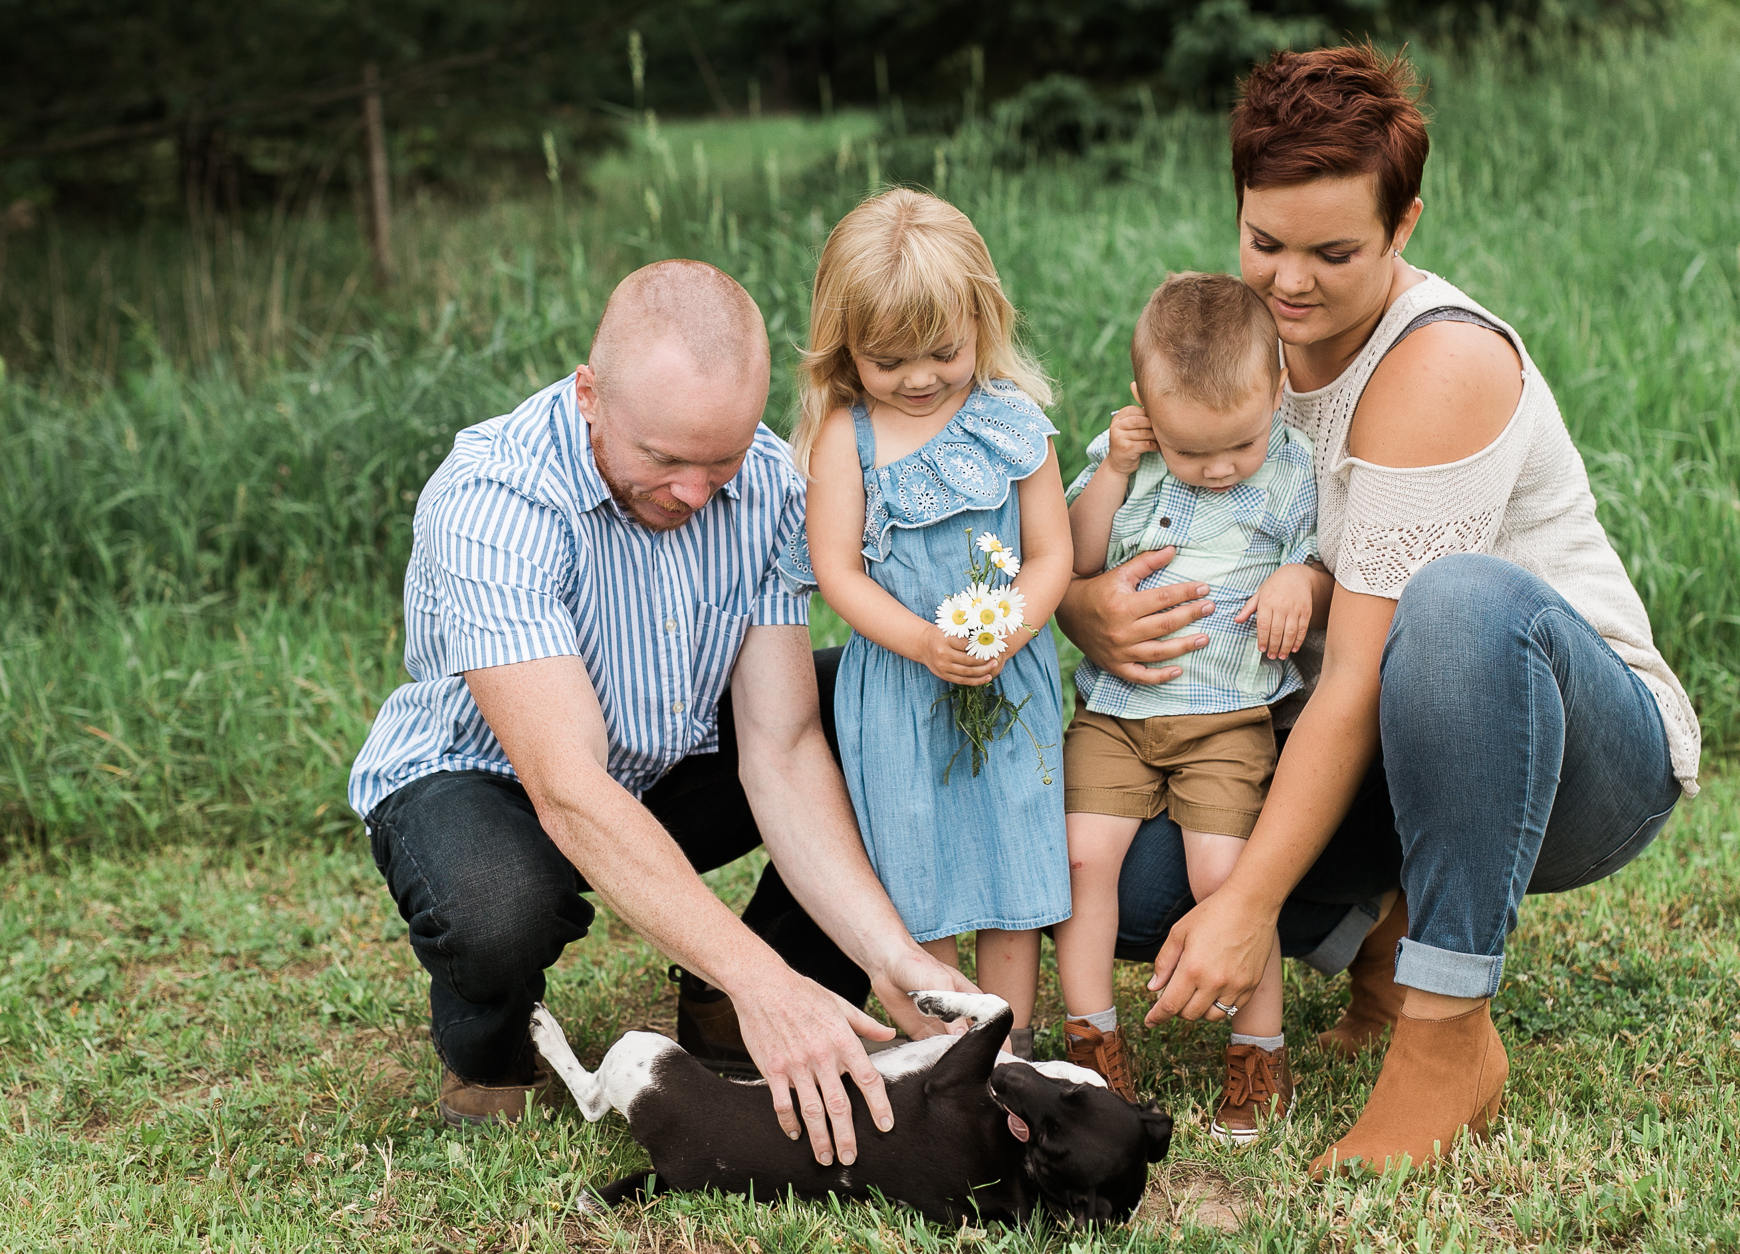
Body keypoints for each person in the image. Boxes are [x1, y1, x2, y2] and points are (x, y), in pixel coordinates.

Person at [1056, 44, 1702, 1176]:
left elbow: (1357, 671)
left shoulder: (1437, 363)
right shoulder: (1229, 351)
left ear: (1403, 227)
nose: (1288, 283)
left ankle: (1448, 1036)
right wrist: (1080, 607)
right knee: (1132, 902)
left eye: (1333, 252)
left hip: (1566, 748)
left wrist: (1252, 903)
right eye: (1263, 242)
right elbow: (1133, 529)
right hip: (1357, 755)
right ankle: (1381, 936)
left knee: (1453, 605)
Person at [347, 259, 974, 1166]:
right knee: (500, 907)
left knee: (881, 706)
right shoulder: (494, 497)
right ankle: (489, 1050)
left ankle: (744, 990)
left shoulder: (763, 483)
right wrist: (768, 983)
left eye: (718, 461)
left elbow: (783, 745)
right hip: (492, 780)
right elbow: (566, 786)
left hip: (665, 762)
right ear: (591, 395)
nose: (694, 492)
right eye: (666, 460)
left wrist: (888, 953)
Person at [778, 190, 1073, 1055]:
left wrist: (1008, 631)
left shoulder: (1012, 422)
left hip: (1005, 679)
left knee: (1015, 856)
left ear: (983, 319)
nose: (919, 377)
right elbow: (837, 570)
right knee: (920, 863)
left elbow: (1050, 553)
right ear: (847, 350)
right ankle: (939, 1051)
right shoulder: (849, 438)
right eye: (888, 358)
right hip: (902, 686)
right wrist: (921, 641)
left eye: (943, 351)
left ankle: (1007, 1050)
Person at [1051, 272, 1324, 1142]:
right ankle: (1091, 1045)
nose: (1214, 468)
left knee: (1227, 880)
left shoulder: (1291, 469)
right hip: (1116, 715)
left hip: (1226, 718)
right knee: (1081, 864)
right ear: (1143, 407)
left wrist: (1297, 578)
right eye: (1188, 447)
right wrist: (1122, 463)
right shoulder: (1124, 463)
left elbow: (1323, 555)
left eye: (1236, 443)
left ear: (1277, 393)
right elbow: (1078, 557)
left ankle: (1258, 1050)